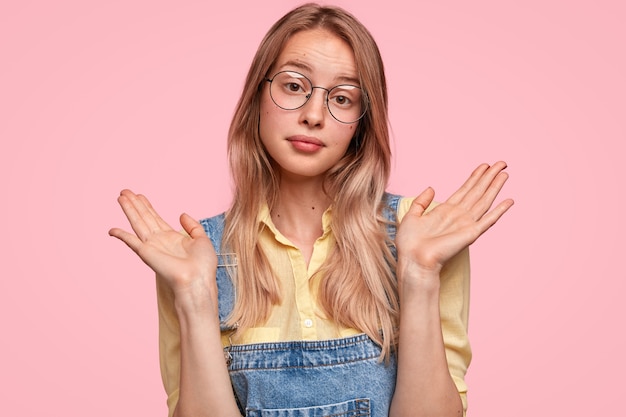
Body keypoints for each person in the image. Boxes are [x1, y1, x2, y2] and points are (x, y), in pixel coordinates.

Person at [109, 3, 513, 417]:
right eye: (294, 86)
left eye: (342, 97)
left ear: (361, 121)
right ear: (257, 96)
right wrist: (195, 296)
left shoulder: (423, 234)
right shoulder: (194, 256)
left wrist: (420, 273)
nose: (314, 115)